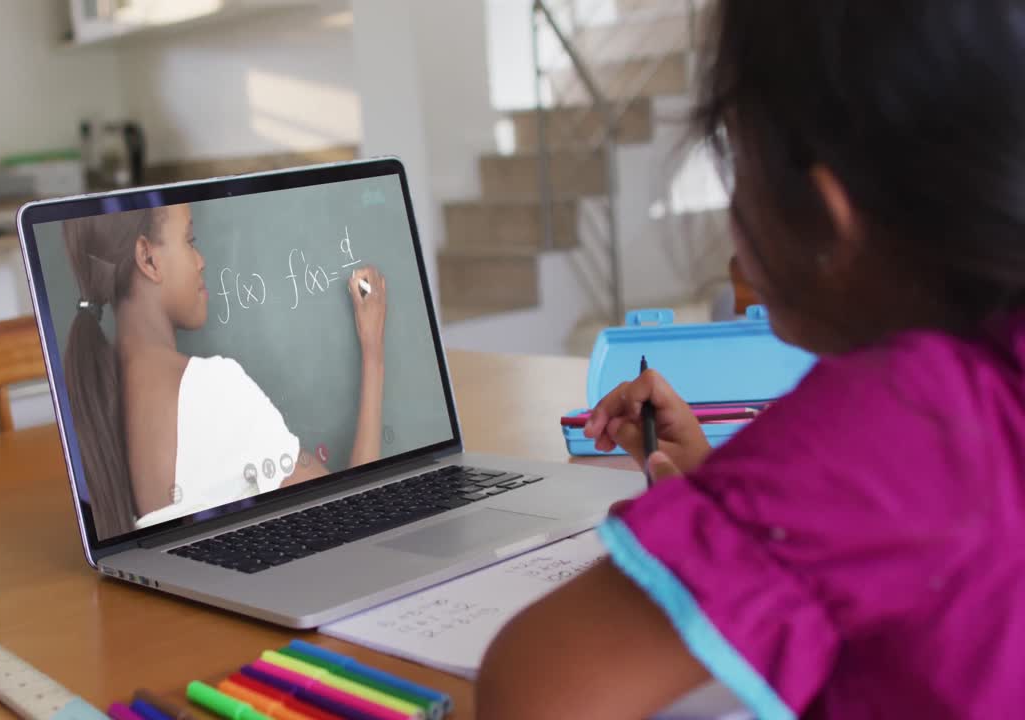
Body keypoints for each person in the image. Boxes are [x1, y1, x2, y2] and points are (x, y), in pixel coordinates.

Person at [478, 1, 1025, 717]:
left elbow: (531, 691)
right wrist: (722, 502)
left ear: (825, 217)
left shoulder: (898, 419)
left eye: (736, 161)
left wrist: (730, 518)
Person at [62, 203, 388, 539]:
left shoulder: (98, 393)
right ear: (148, 259)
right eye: (190, 240)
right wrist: (373, 351)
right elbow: (352, 516)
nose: (201, 261)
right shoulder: (212, 389)